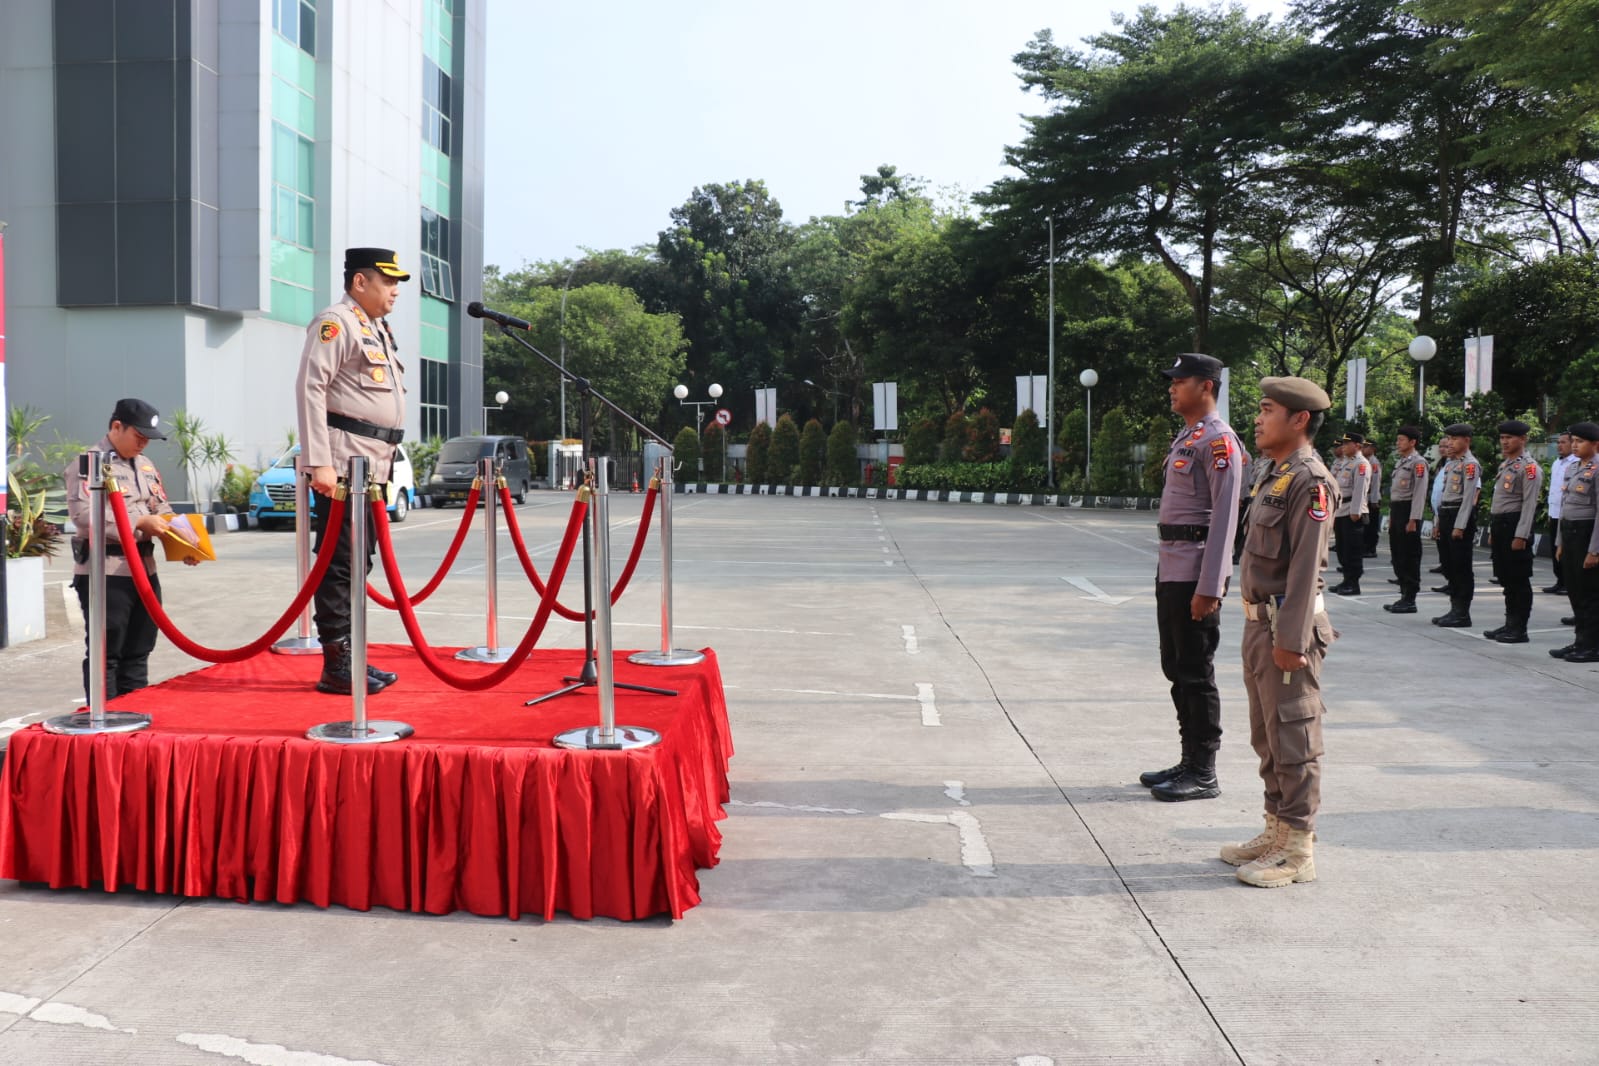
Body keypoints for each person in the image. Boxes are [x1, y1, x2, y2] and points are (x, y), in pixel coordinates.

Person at [1222, 376, 1338, 888]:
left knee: (1295, 737)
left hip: (1284, 630)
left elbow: (1304, 569)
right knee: (1267, 737)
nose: (1258, 418)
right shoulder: (1274, 474)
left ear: (1299, 419)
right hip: (1257, 626)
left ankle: (1297, 849)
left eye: (1267, 410)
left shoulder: (1311, 481)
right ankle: (1274, 829)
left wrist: (1289, 640)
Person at [296, 247, 411, 695]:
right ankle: (337, 664)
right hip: (343, 466)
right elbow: (311, 387)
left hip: (372, 469)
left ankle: (354, 656)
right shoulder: (336, 322)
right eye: (388, 282)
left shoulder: (377, 328)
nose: (395, 291)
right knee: (339, 565)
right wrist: (318, 461)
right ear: (360, 282)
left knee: (358, 561)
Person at [1141, 353, 1245, 802]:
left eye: (1179, 381)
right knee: (1176, 667)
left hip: (1196, 572)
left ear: (1206, 386)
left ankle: (1204, 770)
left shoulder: (1220, 442)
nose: (1171, 387)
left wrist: (1211, 585)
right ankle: (1188, 758)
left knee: (1196, 672)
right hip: (1173, 566)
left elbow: (1224, 519)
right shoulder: (1189, 436)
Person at [64, 398, 201, 702]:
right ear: (116, 426)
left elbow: (161, 508)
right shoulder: (90, 462)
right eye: (138, 437)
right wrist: (139, 521)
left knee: (140, 650)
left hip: (144, 569)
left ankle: (133, 718)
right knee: (107, 652)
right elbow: (84, 517)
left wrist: (185, 541)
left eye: (147, 440)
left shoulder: (146, 466)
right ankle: (106, 720)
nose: (143, 445)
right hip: (107, 572)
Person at [1484, 420, 1541, 644]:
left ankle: (1519, 628)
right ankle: (1510, 623)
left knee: (1518, 579)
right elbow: (1499, 500)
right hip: (1501, 525)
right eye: (1502, 438)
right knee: (1506, 579)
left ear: (1523, 439)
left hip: (1516, 525)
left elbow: (1529, 505)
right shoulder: (1506, 465)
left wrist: (1521, 535)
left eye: (1510, 438)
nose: (1505, 442)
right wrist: (1492, 529)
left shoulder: (1529, 468)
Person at [1550, 422, 1599, 663]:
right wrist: (1560, 542)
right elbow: (1564, 507)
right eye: (1574, 441)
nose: (1575, 445)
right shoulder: (1572, 468)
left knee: (1590, 594)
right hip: (1569, 534)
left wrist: (1594, 550)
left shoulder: (1598, 469)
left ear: (1596, 445)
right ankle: (1580, 641)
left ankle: (1592, 645)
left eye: (1580, 441)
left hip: (1586, 534)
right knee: (1575, 592)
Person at [1431, 424, 1482, 628]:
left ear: (1466, 441)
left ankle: (1462, 612)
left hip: (1459, 517)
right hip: (1446, 515)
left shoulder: (1470, 464)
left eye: (1454, 439)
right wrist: (1437, 522)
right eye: (1448, 439)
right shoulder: (1451, 464)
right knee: (1449, 564)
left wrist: (1459, 526)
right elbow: (1443, 496)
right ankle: (1454, 609)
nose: (1450, 443)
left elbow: (1469, 498)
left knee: (1461, 567)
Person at [1383, 426, 1430, 615]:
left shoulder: (1418, 463)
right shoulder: (1402, 462)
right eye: (1398, 439)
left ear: (1412, 442)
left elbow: (1419, 493)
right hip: (1397, 510)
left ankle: (1410, 598)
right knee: (1398, 555)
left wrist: (1414, 519)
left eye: (1401, 439)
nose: (1398, 443)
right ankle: (1403, 595)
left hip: (1409, 511)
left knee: (1409, 556)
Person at [1328, 432, 1370, 595]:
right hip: (1341, 510)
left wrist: (1356, 511)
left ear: (1358, 446)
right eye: (1343, 444)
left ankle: (1353, 583)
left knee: (1352, 551)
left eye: (1347, 444)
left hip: (1352, 511)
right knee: (1342, 549)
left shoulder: (1361, 464)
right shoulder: (1347, 463)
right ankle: (1346, 580)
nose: (1343, 447)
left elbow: (1361, 489)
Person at [1545, 433, 1577, 595]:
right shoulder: (1557, 463)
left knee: (1566, 552)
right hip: (1554, 512)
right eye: (1558, 442)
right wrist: (1551, 513)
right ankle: (1559, 581)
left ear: (1572, 444)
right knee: (1554, 549)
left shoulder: (1576, 463)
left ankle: (1568, 584)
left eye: (1563, 442)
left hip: (1568, 515)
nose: (1559, 445)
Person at [1361, 439, 1384, 558]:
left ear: (1373, 449)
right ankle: (1364, 547)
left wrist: (1374, 500)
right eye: (1363, 446)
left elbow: (1375, 483)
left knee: (1371, 526)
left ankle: (1371, 549)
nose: (1363, 448)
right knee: (1365, 525)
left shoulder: (1374, 463)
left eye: (1366, 446)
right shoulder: (1363, 461)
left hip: (1371, 498)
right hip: (1365, 498)